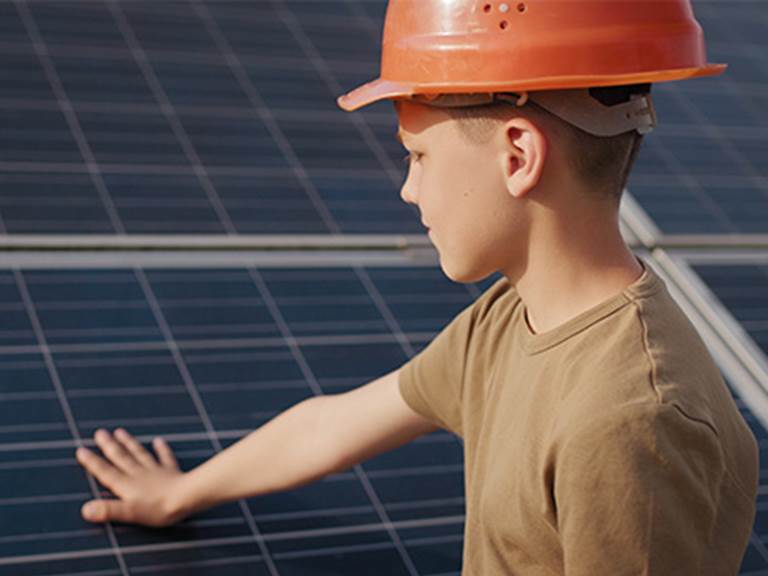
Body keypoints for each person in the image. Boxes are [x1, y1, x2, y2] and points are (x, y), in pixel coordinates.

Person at [75, 0, 759, 573]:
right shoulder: (509, 323)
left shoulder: (631, 425)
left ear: (518, 155)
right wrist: (180, 494)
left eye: (418, 154)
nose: (408, 188)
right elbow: (331, 427)